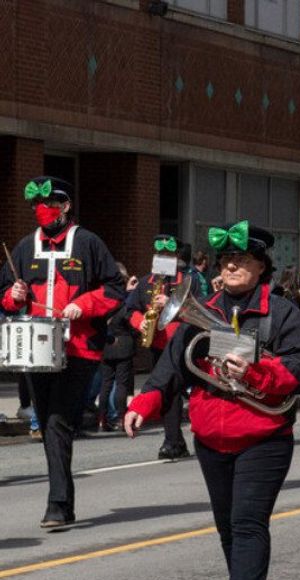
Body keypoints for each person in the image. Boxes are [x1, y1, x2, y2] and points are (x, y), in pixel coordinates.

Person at [122, 221, 300, 580]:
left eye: (241, 259)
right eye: (226, 259)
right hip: (211, 436)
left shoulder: (281, 313)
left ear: (262, 267)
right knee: (228, 528)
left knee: (247, 523)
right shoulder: (203, 308)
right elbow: (172, 366)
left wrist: (257, 371)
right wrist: (143, 403)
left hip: (263, 434)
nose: (230, 266)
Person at [0, 176, 126, 528]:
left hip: (79, 350)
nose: (41, 211)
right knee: (51, 424)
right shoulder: (25, 247)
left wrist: (83, 305)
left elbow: (115, 289)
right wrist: (16, 296)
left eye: (49, 204)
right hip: (37, 351)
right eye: (36, 207)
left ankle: (58, 504)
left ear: (65, 205)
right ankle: (62, 501)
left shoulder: (87, 243)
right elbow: (5, 297)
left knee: (57, 421)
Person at [126, 235, 200, 459]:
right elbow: (129, 309)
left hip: (183, 343)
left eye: (168, 255)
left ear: (176, 257)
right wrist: (141, 321)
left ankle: (178, 439)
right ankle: (173, 440)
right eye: (160, 255)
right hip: (158, 344)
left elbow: (202, 307)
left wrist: (172, 304)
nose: (164, 258)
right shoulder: (146, 281)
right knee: (169, 392)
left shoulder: (189, 281)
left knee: (179, 391)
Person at [99, 264, 139, 432]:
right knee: (121, 384)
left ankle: (102, 419)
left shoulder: (104, 299)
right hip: (124, 345)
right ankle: (122, 419)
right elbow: (131, 322)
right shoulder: (125, 301)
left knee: (106, 384)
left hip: (107, 345)